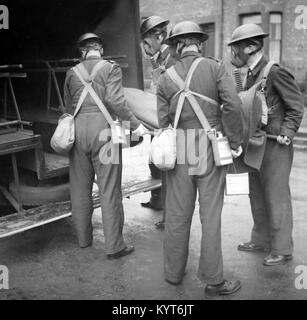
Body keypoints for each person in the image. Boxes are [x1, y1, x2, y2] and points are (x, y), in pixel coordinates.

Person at [156, 21, 244, 298]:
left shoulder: (165, 76)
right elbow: (233, 104)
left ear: (177, 46)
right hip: (209, 145)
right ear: (199, 43)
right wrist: (235, 141)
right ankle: (214, 281)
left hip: (180, 148)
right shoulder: (215, 67)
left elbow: (162, 121)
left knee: (177, 215)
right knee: (210, 216)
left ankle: (173, 274)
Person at [64, 32, 147, 259]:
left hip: (78, 133)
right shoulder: (111, 68)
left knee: (80, 190)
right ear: (99, 48)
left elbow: (67, 106)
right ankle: (114, 247)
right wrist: (136, 126)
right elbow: (115, 101)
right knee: (109, 190)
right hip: (105, 133)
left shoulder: (71, 73)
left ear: (81, 51)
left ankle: (83, 240)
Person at [228, 23, 304, 266]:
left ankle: (282, 248)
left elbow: (296, 105)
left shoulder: (274, 72)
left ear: (250, 47)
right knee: (257, 194)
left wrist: (288, 132)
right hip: (255, 142)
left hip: (275, 144)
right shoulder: (248, 73)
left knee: (276, 196)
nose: (233, 55)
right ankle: (260, 239)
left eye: (235, 49)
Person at [140, 16, 176, 229]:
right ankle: (158, 201)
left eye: (146, 42)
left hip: (170, 124)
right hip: (159, 120)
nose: (144, 47)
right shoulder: (159, 59)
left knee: (169, 169)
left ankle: (170, 217)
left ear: (159, 36)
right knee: (157, 163)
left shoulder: (171, 58)